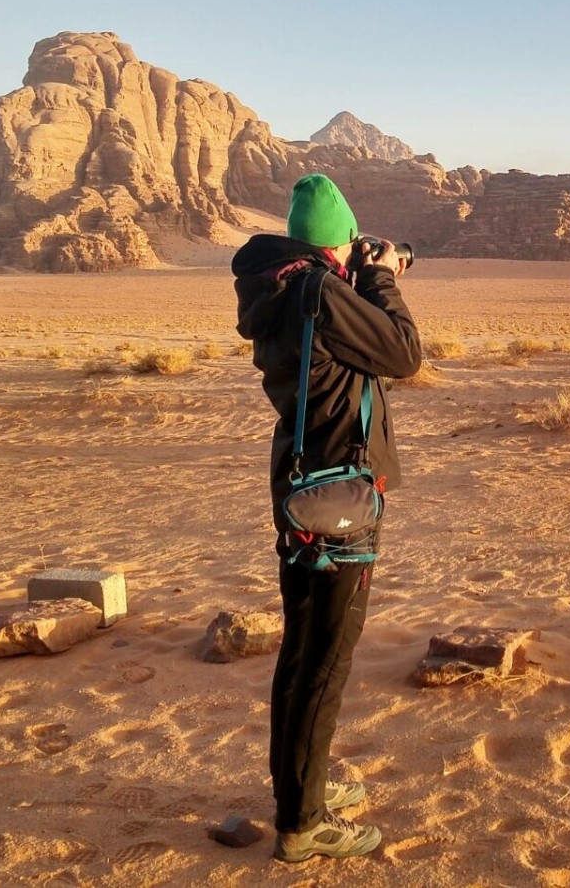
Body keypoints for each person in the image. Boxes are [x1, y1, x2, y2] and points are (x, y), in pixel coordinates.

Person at [231, 173, 421, 862]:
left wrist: (360, 275)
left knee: (301, 649)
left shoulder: (279, 286)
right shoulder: (322, 294)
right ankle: (303, 823)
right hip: (341, 500)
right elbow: (403, 352)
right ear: (335, 245)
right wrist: (382, 279)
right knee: (325, 662)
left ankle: (297, 785)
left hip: (301, 488)